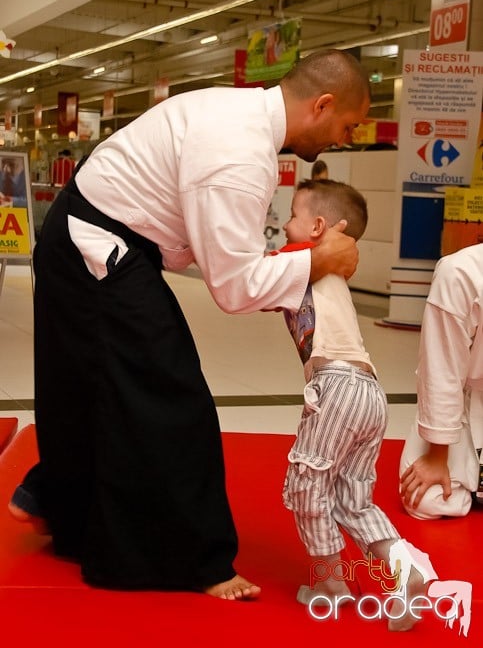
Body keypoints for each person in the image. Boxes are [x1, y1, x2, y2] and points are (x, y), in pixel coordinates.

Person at [8, 49, 369, 601]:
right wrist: (318, 261)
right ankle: (194, 562)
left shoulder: (238, 115)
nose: (344, 138)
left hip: (90, 233)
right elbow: (233, 287)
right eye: (346, 124)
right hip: (97, 241)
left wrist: (300, 262)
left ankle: (59, 503)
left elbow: (228, 256)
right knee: (168, 392)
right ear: (321, 105)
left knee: (96, 381)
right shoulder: (242, 154)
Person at [279, 179, 432, 631]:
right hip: (369, 392)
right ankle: (406, 570)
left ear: (318, 226)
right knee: (351, 499)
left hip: (337, 387)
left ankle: (330, 585)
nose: (284, 224)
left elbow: (252, 276)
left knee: (307, 486)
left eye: (291, 214)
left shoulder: (303, 261)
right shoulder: (327, 271)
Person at [399, 243, 483, 519]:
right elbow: (441, 368)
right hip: (469, 397)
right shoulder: (460, 271)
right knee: (427, 498)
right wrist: (437, 454)